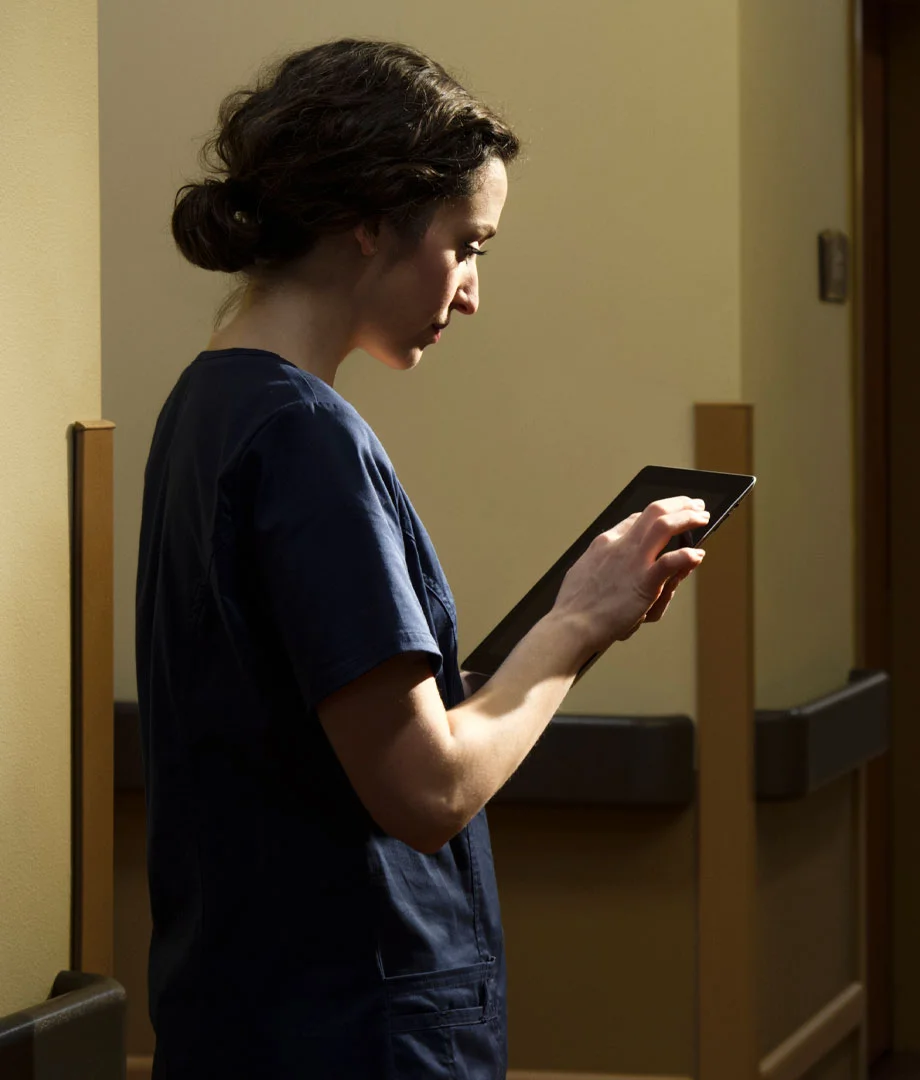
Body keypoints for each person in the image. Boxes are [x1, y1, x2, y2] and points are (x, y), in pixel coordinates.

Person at [135, 39, 705, 1077]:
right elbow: (425, 791)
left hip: (245, 1009)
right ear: (370, 220)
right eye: (466, 244)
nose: (473, 291)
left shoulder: (204, 405)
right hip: (350, 1025)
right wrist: (580, 624)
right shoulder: (306, 439)